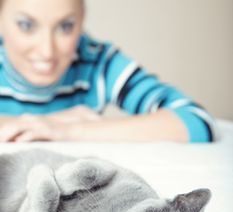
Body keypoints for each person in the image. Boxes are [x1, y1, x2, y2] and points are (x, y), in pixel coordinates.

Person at [0, 0, 217, 143]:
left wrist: (70, 131)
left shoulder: (99, 63)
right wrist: (48, 122)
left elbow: (197, 122)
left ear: (82, 19)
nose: (47, 51)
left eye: (65, 26)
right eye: (26, 25)